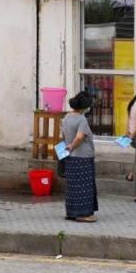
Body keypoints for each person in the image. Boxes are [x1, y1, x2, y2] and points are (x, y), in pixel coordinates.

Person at [62, 91, 98, 223]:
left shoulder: (67, 117)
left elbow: (65, 134)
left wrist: (69, 147)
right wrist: (72, 145)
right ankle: (83, 214)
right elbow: (80, 136)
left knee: (72, 186)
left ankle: (71, 212)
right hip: (83, 157)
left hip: (71, 157)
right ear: (85, 107)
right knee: (84, 186)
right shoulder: (82, 119)